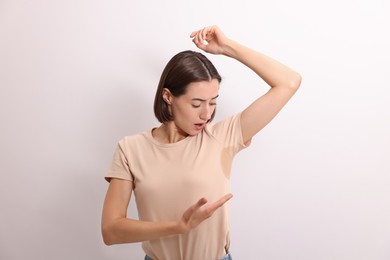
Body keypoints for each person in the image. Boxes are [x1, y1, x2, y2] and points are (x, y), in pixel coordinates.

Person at [101, 25, 301, 260]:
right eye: (197, 104)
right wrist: (179, 226)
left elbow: (289, 82)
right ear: (168, 97)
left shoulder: (222, 136)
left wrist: (228, 47)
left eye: (213, 102)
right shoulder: (130, 149)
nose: (207, 114)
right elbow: (111, 231)